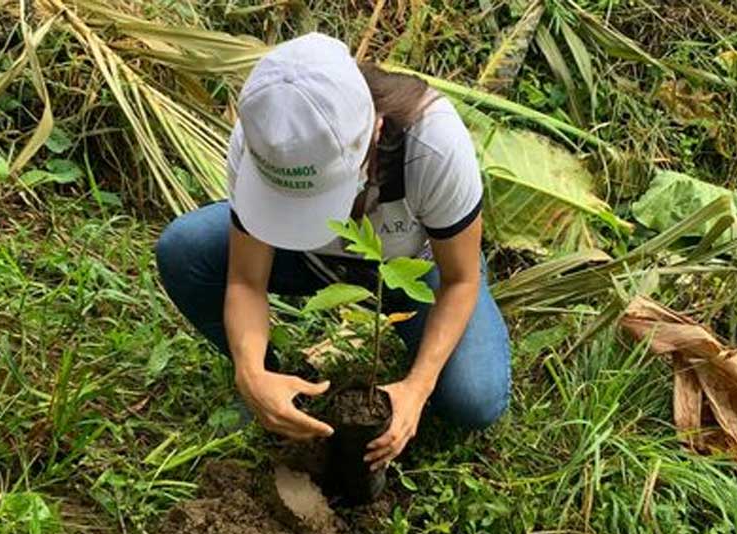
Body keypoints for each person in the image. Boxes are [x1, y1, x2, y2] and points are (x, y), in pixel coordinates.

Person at [155, 32, 510, 473]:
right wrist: (250, 372)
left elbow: (461, 280)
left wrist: (416, 388)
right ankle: (274, 384)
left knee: (474, 398)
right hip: (310, 262)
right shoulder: (265, 136)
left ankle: (421, 392)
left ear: (374, 132)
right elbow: (246, 279)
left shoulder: (432, 143)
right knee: (185, 249)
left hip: (418, 269)